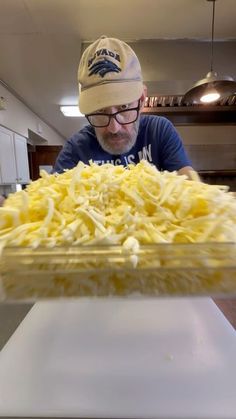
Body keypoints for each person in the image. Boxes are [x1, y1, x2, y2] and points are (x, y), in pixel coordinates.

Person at [54, 36, 195, 177]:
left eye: (124, 107)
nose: (114, 128)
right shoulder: (76, 150)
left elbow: (191, 186)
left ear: (141, 100)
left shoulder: (159, 132)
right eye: (100, 111)